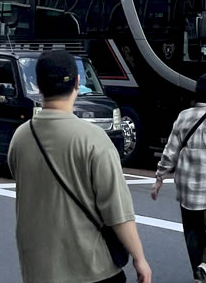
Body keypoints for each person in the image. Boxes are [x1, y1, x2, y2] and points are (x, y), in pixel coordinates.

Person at [8, 50, 151, 283]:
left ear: (37, 84)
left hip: (38, 269)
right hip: (91, 269)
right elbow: (117, 211)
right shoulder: (94, 139)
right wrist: (139, 258)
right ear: (77, 82)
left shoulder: (21, 136)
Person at [152, 72, 206, 282]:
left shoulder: (184, 116)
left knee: (193, 234)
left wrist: (159, 178)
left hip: (186, 188)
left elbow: (171, 150)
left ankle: (199, 274)